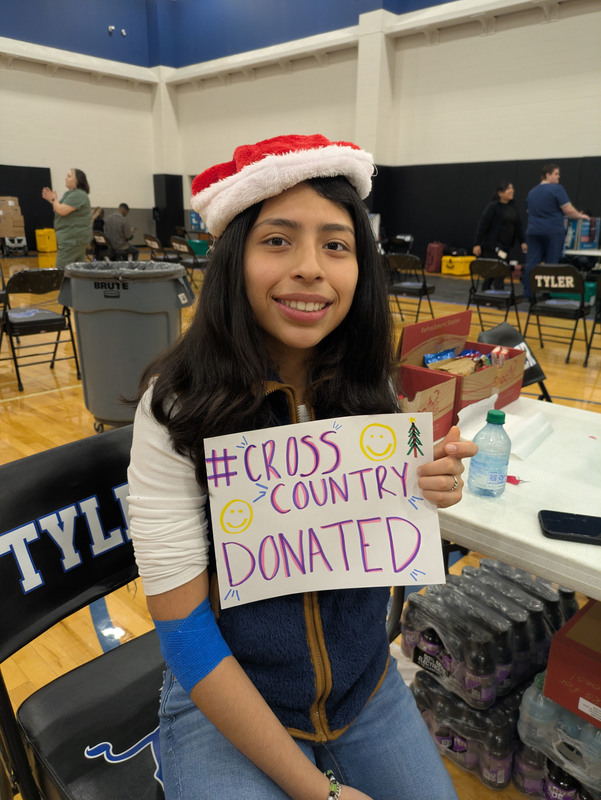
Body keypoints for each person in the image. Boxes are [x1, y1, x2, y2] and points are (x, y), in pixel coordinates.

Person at [127, 134, 477, 800]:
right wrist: (320, 793)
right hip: (224, 700)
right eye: (278, 240)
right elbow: (185, 631)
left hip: (365, 688)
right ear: (235, 261)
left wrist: (423, 485)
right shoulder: (173, 408)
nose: (311, 268)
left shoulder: (369, 387)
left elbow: (372, 541)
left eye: (336, 244)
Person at [524, 163, 589, 298]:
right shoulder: (556, 189)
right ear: (548, 175)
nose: (558, 178)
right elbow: (568, 210)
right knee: (552, 263)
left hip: (533, 231)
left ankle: (529, 294)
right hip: (552, 231)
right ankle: (547, 295)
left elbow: (528, 211)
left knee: (532, 263)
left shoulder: (531, 192)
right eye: (556, 174)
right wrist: (580, 216)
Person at [472, 180, 527, 290]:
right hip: (493, 245)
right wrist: (477, 244)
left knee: (493, 272)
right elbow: (483, 225)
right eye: (508, 189)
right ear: (500, 193)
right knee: (499, 272)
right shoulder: (493, 207)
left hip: (506, 246)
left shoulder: (513, 207)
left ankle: (484, 293)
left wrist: (523, 242)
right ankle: (499, 295)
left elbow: (518, 226)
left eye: (512, 188)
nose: (512, 190)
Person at [41, 168, 92, 269]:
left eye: (69, 176)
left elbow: (61, 210)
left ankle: (63, 285)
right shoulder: (72, 194)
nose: (66, 178)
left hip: (72, 241)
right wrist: (53, 201)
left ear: (77, 180)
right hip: (75, 240)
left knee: (61, 270)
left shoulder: (78, 194)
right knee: (78, 271)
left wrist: (53, 199)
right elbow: (59, 210)